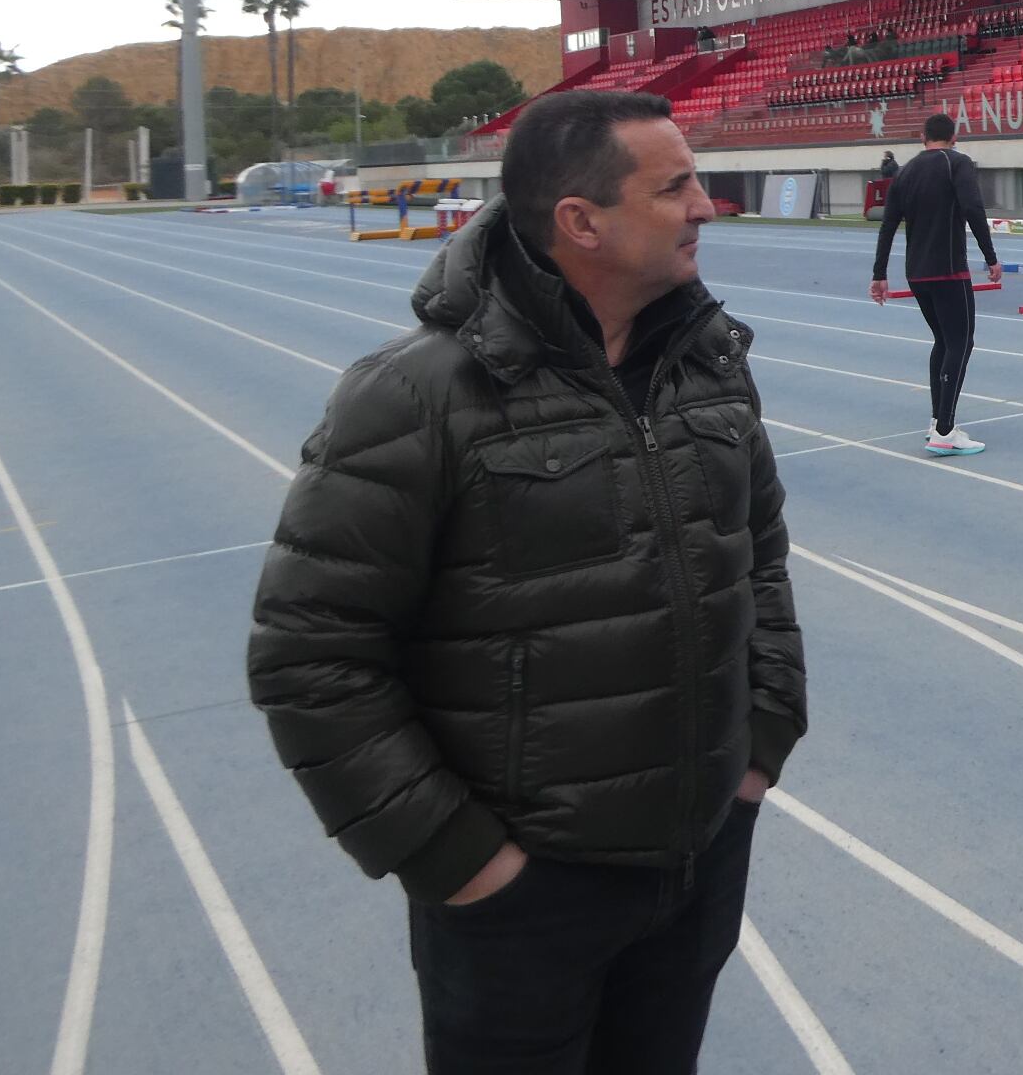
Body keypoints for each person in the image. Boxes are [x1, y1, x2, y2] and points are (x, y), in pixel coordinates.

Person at [248, 88, 807, 1075]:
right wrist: (462, 863)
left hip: (698, 857)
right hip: (519, 900)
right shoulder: (413, 397)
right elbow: (311, 653)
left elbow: (759, 557)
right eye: (675, 186)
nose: (705, 206)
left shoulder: (707, 365)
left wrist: (758, 745)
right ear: (580, 223)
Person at [867, 112, 1000, 456]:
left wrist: (879, 274)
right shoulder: (958, 163)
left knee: (943, 341)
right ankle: (944, 429)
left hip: (917, 273)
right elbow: (972, 207)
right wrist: (990, 256)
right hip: (949, 270)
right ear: (954, 138)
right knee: (961, 342)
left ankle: (937, 421)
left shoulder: (905, 171)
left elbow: (887, 224)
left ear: (922, 138)